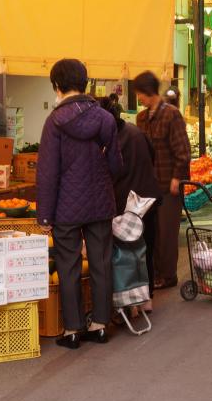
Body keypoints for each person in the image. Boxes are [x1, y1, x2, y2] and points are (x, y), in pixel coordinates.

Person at [36, 59, 122, 349]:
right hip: (99, 203)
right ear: (84, 84)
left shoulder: (54, 123)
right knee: (100, 262)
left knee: (69, 265)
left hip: (66, 208)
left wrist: (44, 214)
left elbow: (47, 172)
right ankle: (100, 325)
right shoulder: (106, 119)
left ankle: (72, 329)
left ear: (57, 86)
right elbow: (116, 165)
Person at [100, 97, 161, 308]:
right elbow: (152, 157)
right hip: (149, 199)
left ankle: (131, 303)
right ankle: (147, 298)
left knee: (127, 254)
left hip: (127, 203)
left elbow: (109, 173)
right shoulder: (136, 132)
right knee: (146, 249)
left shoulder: (110, 141)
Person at [134, 71, 191, 290]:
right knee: (151, 232)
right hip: (148, 184)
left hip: (169, 184)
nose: (139, 98)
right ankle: (154, 273)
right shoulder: (141, 118)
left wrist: (177, 177)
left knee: (167, 232)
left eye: (140, 93)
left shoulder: (171, 115)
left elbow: (183, 151)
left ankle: (168, 276)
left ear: (148, 92)